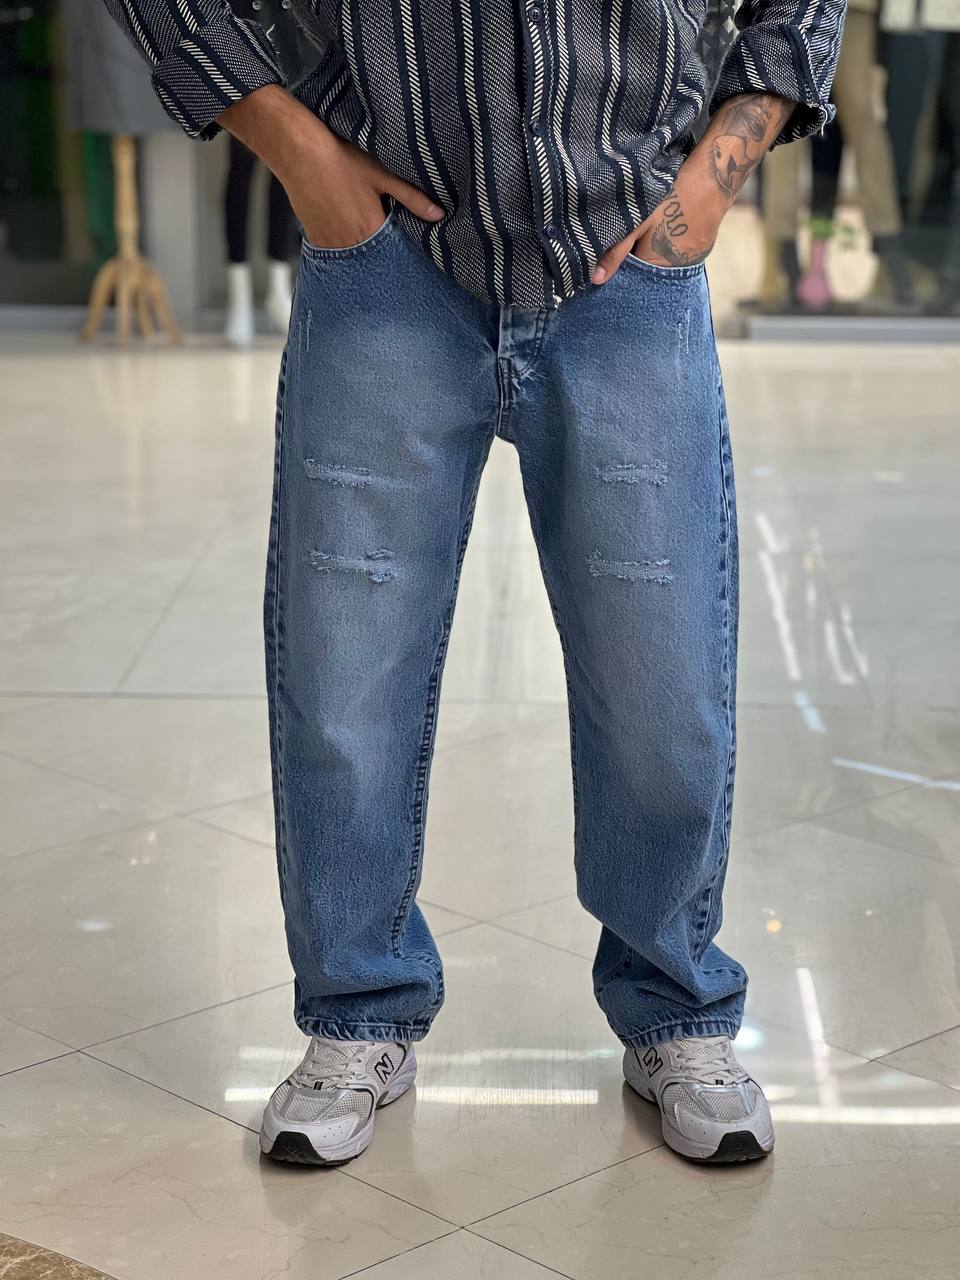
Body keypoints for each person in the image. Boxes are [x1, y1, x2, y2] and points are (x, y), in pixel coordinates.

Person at [104, 0, 845, 1166]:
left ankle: (677, 1006)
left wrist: (714, 174)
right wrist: (298, 150)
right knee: (344, 676)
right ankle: (358, 1008)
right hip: (385, 261)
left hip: (630, 257)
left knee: (662, 676)